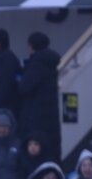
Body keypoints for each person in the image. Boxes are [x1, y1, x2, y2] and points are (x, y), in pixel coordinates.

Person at [19, 31, 61, 160]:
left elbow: (24, 87)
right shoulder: (52, 63)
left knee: (35, 152)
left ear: (31, 46)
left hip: (35, 115)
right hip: (51, 116)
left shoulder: (36, 64)